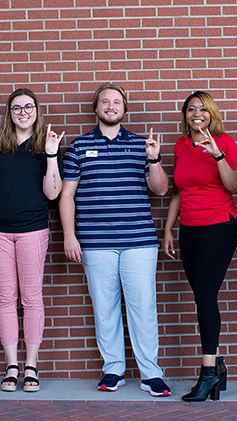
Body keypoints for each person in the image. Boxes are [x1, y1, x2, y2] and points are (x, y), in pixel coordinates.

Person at [59, 83, 171, 397]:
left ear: (124, 109)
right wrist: (70, 236)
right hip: (95, 242)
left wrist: (154, 159)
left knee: (143, 307)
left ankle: (151, 374)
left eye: (116, 102)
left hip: (139, 240)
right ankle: (113, 370)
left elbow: (161, 189)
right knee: (104, 308)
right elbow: (66, 195)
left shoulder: (142, 144)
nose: (111, 106)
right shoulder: (78, 147)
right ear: (96, 108)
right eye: (105, 102)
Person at [0, 88, 63, 392]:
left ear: (37, 110)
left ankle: (31, 365)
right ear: (9, 112)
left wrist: (51, 155)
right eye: (16, 108)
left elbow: (53, 193)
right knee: (5, 298)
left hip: (33, 230)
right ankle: (12, 365)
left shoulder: (45, 143)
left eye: (28, 107)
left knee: (32, 298)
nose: (23, 112)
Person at [163, 91, 237, 402]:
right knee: (201, 296)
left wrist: (217, 154)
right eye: (191, 109)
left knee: (206, 297)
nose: (197, 114)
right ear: (185, 115)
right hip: (189, 229)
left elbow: (234, 186)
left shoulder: (225, 142)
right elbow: (180, 191)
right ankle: (218, 366)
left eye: (203, 109)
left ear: (212, 114)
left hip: (219, 226)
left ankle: (207, 373)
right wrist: (168, 229)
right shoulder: (181, 145)